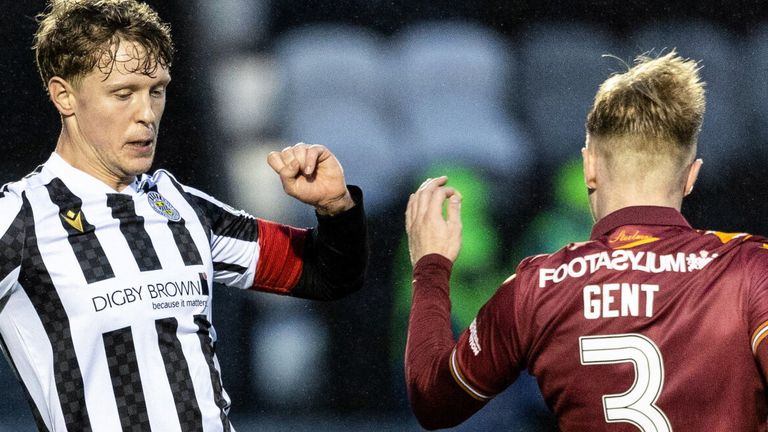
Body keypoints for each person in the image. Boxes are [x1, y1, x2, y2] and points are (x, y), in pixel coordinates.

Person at [0, 0, 367, 430]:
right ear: (64, 95)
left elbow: (329, 274)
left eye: (156, 90)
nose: (146, 115)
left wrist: (336, 207)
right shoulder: (19, 217)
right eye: (123, 93)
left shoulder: (182, 206)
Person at [404, 51, 768, 431]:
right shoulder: (749, 268)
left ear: (589, 168)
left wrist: (430, 266)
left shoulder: (537, 286)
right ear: (691, 177)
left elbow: (433, 401)